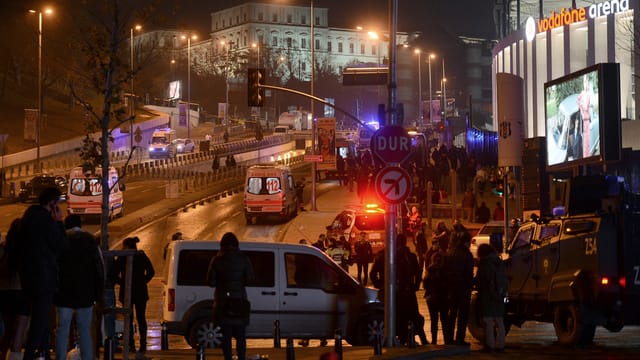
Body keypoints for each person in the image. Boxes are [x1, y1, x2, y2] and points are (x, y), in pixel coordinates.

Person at [19, 187, 67, 360]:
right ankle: (31, 355)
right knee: (40, 320)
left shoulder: (28, 218)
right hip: (43, 277)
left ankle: (44, 353)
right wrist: (59, 222)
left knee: (43, 320)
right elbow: (61, 245)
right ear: (52, 204)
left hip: (28, 276)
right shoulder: (47, 222)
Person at [54, 214, 104, 360]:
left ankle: (61, 357)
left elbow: (54, 265)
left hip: (64, 293)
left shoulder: (61, 240)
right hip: (86, 293)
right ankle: (87, 357)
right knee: (84, 330)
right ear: (80, 225)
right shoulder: (90, 240)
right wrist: (97, 293)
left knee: (62, 330)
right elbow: (99, 268)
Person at [207, 232, 254, 360]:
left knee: (226, 337)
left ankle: (228, 358)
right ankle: (241, 357)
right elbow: (250, 280)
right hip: (239, 302)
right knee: (241, 336)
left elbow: (210, 282)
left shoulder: (217, 260)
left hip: (223, 303)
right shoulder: (244, 259)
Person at [112, 236, 155, 359]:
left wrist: (123, 282)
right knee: (141, 318)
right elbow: (151, 271)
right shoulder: (141, 256)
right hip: (141, 291)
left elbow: (113, 274)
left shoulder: (122, 257)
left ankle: (131, 344)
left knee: (128, 319)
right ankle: (142, 344)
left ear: (126, 246)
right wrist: (143, 281)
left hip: (127, 293)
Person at [0, 219, 30, 360]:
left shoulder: (4, 249)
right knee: (19, 330)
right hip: (21, 292)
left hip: (4, 293)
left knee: (7, 329)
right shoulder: (27, 251)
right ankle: (14, 356)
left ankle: (2, 353)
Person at [395, 234, 428, 346]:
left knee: (403, 316)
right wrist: (415, 286)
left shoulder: (395, 256)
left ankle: (405, 338)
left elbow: (417, 273)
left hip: (401, 291)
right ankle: (418, 337)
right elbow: (417, 273)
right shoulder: (410, 256)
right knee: (413, 315)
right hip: (407, 290)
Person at [442, 230, 474, 346]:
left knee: (452, 314)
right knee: (462, 316)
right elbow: (468, 273)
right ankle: (460, 338)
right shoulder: (467, 255)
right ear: (467, 242)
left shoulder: (450, 252)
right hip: (463, 289)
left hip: (451, 289)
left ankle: (449, 338)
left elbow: (444, 270)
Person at [476, 243, 507, 353]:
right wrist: (505, 298)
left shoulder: (485, 263)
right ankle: (501, 345)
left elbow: (481, 281)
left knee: (488, 321)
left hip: (488, 296)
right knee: (500, 321)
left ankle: (490, 345)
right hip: (501, 295)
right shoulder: (499, 262)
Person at [423, 238, 447, 345]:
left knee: (434, 320)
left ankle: (434, 341)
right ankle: (447, 339)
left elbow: (425, 285)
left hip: (431, 298)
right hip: (442, 298)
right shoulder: (444, 271)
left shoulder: (429, 271)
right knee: (444, 320)